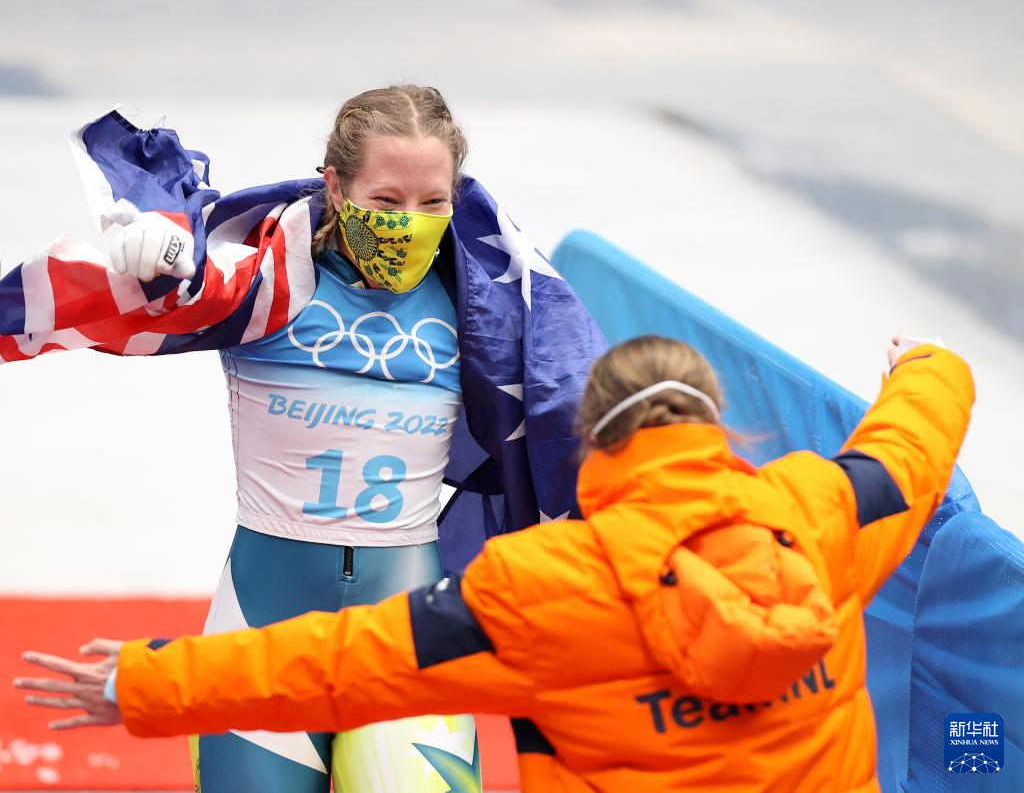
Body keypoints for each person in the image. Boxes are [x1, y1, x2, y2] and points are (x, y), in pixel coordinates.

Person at [16, 334, 973, 792]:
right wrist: (927, 362)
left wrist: (148, 681)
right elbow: (911, 445)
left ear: (590, 440)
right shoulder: (820, 511)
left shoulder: (541, 585)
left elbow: (344, 661)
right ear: (716, 422)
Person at [1, 85, 605, 791]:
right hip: (261, 626)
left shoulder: (492, 309)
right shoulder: (266, 283)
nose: (409, 224)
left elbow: (579, 398)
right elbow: (189, 282)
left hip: (408, 636)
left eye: (432, 203)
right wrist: (160, 255)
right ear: (335, 186)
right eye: (387, 201)